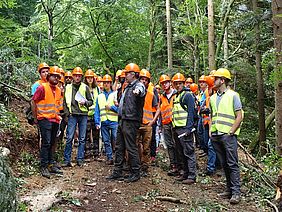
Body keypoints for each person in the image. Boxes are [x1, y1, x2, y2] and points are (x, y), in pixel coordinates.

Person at [106, 63, 145, 183]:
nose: (125, 75)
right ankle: (117, 171)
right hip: (122, 120)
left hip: (131, 121)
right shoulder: (127, 86)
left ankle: (135, 172)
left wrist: (137, 91)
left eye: (127, 73)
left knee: (131, 147)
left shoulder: (138, 85)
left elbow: (141, 90)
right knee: (119, 147)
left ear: (133, 74)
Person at [209, 68, 243, 204]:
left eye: (216, 78)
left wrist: (231, 132)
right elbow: (212, 115)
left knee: (232, 163)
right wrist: (211, 131)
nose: (213, 80)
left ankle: (236, 192)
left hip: (228, 135)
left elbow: (239, 116)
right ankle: (229, 189)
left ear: (222, 80)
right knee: (224, 163)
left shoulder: (233, 95)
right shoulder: (212, 98)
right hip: (216, 135)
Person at [31, 66, 63, 178]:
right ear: (49, 76)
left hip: (55, 119)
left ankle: (51, 164)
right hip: (44, 119)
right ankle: (43, 166)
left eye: (58, 77)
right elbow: (33, 102)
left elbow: (58, 106)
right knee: (46, 142)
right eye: (54, 76)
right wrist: (35, 118)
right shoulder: (42, 88)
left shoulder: (59, 90)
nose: (56, 78)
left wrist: (58, 117)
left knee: (53, 142)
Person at [63, 67, 93, 167]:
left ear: (81, 77)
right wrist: (67, 115)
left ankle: (80, 159)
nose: (77, 77)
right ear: (72, 76)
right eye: (75, 75)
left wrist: (85, 102)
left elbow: (91, 101)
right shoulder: (67, 88)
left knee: (82, 138)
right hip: (72, 115)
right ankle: (67, 159)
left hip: (83, 115)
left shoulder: (85, 87)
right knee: (69, 137)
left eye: (79, 76)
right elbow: (64, 103)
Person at [172, 73, 196, 185]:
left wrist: (188, 128)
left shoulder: (188, 95)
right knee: (181, 152)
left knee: (188, 152)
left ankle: (192, 175)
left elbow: (191, 113)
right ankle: (185, 173)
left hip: (185, 129)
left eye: (180, 83)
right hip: (177, 128)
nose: (178, 85)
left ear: (184, 83)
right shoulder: (177, 96)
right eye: (176, 84)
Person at [137, 69, 160, 176]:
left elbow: (158, 108)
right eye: (142, 79)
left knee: (146, 147)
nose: (144, 81)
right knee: (136, 146)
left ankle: (145, 167)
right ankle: (136, 165)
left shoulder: (151, 94)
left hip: (147, 125)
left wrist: (153, 121)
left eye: (146, 80)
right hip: (137, 124)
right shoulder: (134, 92)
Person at [95, 74, 118, 165]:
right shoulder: (99, 96)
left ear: (111, 83)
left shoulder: (115, 94)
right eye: (105, 83)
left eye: (108, 83)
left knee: (115, 139)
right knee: (106, 140)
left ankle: (117, 157)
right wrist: (97, 122)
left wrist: (111, 107)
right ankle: (109, 157)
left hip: (114, 121)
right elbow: (97, 110)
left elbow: (120, 109)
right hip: (104, 121)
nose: (106, 84)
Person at [159, 74, 178, 176]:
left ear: (170, 83)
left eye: (166, 82)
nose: (164, 85)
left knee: (178, 145)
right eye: (162, 83)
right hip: (166, 124)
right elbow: (159, 110)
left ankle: (181, 166)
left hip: (176, 124)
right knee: (170, 145)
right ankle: (173, 165)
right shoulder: (162, 96)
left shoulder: (177, 94)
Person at [84, 69, 100, 159]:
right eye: (88, 78)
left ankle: (96, 152)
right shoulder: (83, 88)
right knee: (86, 134)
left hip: (95, 114)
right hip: (86, 114)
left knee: (96, 134)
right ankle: (87, 152)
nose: (90, 79)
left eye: (91, 78)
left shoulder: (97, 88)